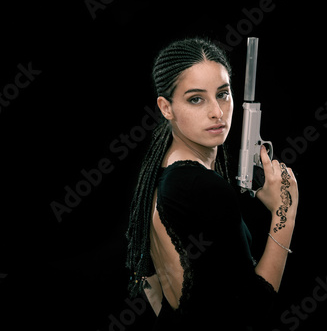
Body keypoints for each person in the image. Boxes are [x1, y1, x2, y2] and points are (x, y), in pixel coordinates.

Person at [125, 37, 298, 330]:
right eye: (196, 98)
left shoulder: (165, 170)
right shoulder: (199, 186)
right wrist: (285, 212)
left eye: (223, 94)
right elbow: (252, 312)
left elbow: (151, 288)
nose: (217, 111)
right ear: (166, 107)